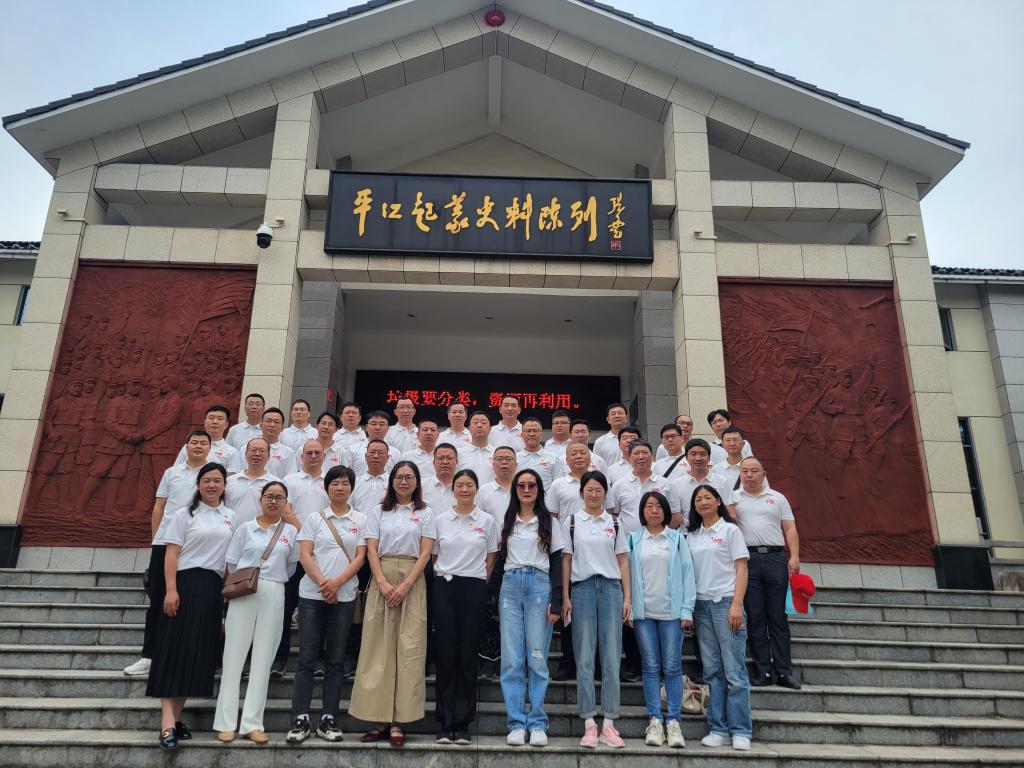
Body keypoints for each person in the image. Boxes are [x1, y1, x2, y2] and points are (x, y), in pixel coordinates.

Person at [147, 462, 235, 751]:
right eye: (207, 480)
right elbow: (171, 554)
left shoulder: (230, 517)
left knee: (194, 653)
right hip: (184, 585)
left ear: (224, 485)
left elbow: (228, 560)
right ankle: (167, 723)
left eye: (217, 480)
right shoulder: (184, 514)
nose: (212, 485)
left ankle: (177, 719)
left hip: (211, 589)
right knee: (173, 650)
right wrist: (171, 590)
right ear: (198, 484)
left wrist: (225, 590)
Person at [349, 461, 434, 747]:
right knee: (378, 648)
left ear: (417, 481)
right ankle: (379, 718)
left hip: (412, 578)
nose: (404, 482)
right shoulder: (378, 512)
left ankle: (399, 720)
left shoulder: (425, 513)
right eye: (399, 477)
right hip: (382, 577)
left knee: (408, 649)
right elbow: (372, 549)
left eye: (409, 477)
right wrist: (383, 582)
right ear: (392, 481)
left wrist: (406, 585)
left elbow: (425, 553)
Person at [214, 481, 299, 743]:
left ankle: (252, 723)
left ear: (285, 502)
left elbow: (292, 566)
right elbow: (231, 563)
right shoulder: (245, 528)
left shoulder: (291, 532)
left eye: (279, 497)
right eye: (269, 496)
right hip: (244, 591)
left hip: (274, 591)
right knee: (233, 657)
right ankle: (226, 722)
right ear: (260, 499)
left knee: (263, 659)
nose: (273, 501)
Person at [287, 465, 367, 743]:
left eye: (345, 483)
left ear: (351, 488)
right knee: (307, 658)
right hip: (312, 595)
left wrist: (337, 583)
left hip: (344, 596)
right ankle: (300, 718)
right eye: (335, 483)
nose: (340, 487)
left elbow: (361, 557)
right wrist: (324, 583)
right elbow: (305, 554)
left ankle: (328, 718)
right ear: (327, 488)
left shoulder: (361, 519)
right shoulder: (314, 518)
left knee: (335, 660)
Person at [124, 430, 211, 677]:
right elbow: (159, 506)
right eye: (194, 442)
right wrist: (156, 539)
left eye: (203, 443)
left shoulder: (213, 475)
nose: (198, 446)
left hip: (195, 544)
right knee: (158, 599)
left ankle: (181, 656)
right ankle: (149, 655)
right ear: (187, 446)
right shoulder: (172, 473)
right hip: (165, 541)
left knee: (189, 599)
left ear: (210, 448)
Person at [427, 468, 499, 744]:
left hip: (474, 587)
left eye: (470, 485)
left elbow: (490, 559)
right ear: (453, 489)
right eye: (460, 485)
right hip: (445, 586)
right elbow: (434, 557)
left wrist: (476, 583)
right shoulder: (440, 520)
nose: (465, 489)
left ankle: (463, 723)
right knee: (446, 654)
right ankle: (445, 723)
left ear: (476, 489)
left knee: (468, 655)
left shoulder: (487, 521)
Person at [561, 470, 630, 749]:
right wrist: (565, 596)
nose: (593, 494)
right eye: (588, 489)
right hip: (582, 589)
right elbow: (567, 560)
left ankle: (609, 724)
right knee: (585, 656)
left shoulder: (614, 522)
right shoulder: (572, 522)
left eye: (598, 489)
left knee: (612, 657)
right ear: (581, 493)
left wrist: (627, 598)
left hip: (611, 589)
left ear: (605, 493)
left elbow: (622, 560)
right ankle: (589, 722)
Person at [497, 468, 564, 747]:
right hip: (510, 587)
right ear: (515, 490)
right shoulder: (507, 519)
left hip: (539, 586)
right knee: (512, 659)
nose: (526, 490)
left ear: (539, 489)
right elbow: (499, 558)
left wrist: (557, 599)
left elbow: (558, 560)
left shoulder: (549, 521)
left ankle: (537, 722)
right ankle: (515, 722)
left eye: (532, 485)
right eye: (521, 485)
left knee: (537, 657)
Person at [627, 491, 695, 749]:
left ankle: (674, 722)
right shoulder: (633, 539)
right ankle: (655, 720)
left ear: (666, 511)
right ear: (642, 511)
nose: (654, 510)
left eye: (658, 506)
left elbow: (688, 573)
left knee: (672, 667)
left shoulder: (676, 539)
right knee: (650, 666)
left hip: (672, 614)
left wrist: (687, 609)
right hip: (644, 614)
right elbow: (627, 575)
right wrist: (629, 607)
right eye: (649, 506)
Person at [687, 484, 752, 751]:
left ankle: (741, 730)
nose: (703, 502)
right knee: (712, 670)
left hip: (726, 603)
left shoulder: (730, 530)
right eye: (698, 499)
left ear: (717, 501)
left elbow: (741, 569)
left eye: (707, 498)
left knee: (734, 671)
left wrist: (737, 603)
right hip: (701, 607)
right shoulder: (692, 536)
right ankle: (718, 728)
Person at [731, 457, 801, 689]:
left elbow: (789, 528)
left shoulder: (777, 498)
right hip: (748, 560)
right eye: (745, 471)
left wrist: (794, 556)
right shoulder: (733, 499)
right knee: (756, 616)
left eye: (754, 471)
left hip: (775, 558)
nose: (749, 475)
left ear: (763, 474)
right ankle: (762, 670)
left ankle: (784, 671)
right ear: (740, 474)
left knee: (778, 617)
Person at [273, 440, 330, 677]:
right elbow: (285, 511)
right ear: (301, 456)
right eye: (309, 453)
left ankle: (318, 659)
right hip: (294, 555)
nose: (313, 456)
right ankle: (279, 659)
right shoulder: (290, 481)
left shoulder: (330, 480)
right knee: (285, 609)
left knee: (321, 609)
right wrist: (307, 533)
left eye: (318, 452)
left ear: (324, 456)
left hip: (322, 557)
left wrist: (316, 538)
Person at [668, 439, 731, 523]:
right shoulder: (676, 484)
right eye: (693, 454)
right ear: (686, 457)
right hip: (688, 530)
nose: (698, 458)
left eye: (702, 454)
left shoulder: (722, 482)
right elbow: (675, 516)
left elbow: (729, 511)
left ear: (709, 457)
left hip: (717, 530)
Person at [225, 438, 282, 525]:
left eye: (262, 451)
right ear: (245, 454)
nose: (257, 454)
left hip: (263, 532)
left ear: (268, 456)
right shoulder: (230, 481)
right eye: (253, 450)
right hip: (231, 531)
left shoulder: (276, 484)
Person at [476, 445, 517, 523]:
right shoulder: (483, 491)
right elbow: (479, 521)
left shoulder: (523, 489)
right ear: (493, 464)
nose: (504, 462)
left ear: (516, 464)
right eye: (499, 459)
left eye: (509, 459)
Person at [351, 438, 390, 513]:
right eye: (372, 452)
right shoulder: (355, 483)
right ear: (365, 456)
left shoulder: (394, 483)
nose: (376, 456)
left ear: (387, 458)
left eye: (380, 453)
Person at [516, 417, 555, 489]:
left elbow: (558, 486)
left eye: (535, 430)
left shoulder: (553, 459)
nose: (531, 434)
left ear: (542, 434)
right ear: (522, 435)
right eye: (528, 431)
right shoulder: (515, 459)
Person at [458, 410, 495, 483]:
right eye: (475, 422)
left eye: (483, 423)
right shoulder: (459, 453)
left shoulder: (497, 453)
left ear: (490, 429)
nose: (479, 425)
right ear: (469, 429)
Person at [422, 442, 458, 512]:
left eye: (449, 458)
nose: (445, 462)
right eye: (440, 458)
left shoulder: (463, 487)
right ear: (433, 463)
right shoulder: (422, 486)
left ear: (457, 462)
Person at [592, 402, 629, 466]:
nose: (617, 416)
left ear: (626, 418)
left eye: (620, 413)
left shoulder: (635, 440)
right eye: (613, 414)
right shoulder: (600, 442)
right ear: (608, 419)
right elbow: (596, 465)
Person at [713, 426, 747, 491]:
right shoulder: (716, 469)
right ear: (722, 445)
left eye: (735, 440)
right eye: (728, 440)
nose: (732, 443)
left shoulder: (752, 467)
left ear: (743, 444)